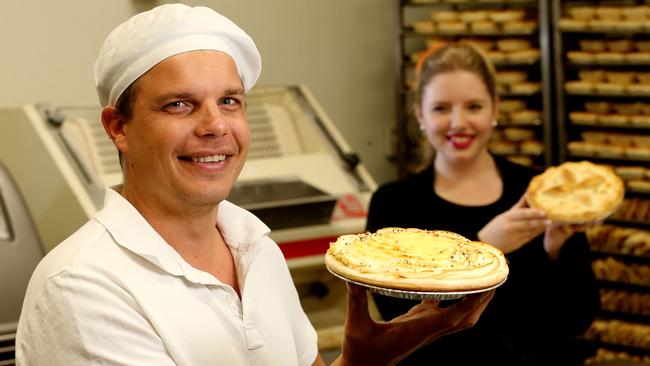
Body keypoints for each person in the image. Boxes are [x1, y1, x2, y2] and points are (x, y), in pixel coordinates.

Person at [15, 5, 494, 366]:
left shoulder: (255, 249)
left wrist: (360, 361)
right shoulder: (84, 287)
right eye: (179, 104)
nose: (214, 126)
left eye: (229, 100)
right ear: (118, 126)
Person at [366, 42, 601, 366]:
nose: (458, 122)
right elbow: (401, 324)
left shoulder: (537, 192)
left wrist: (555, 249)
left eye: (474, 107)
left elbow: (578, 319)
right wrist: (484, 248)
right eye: (441, 108)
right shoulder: (395, 205)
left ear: (495, 110)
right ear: (420, 114)